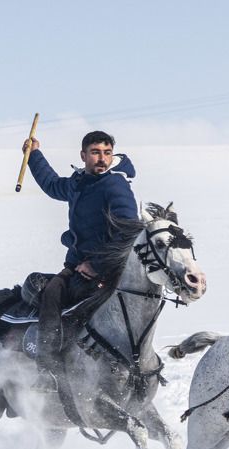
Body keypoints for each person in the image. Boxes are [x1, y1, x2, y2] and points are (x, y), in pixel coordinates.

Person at [21, 130, 138, 391]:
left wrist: (97, 265)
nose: (102, 159)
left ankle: (49, 367)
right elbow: (53, 186)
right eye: (96, 152)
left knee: (52, 294)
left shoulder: (115, 185)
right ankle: (49, 367)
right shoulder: (79, 183)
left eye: (107, 153)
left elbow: (128, 232)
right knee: (49, 291)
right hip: (77, 266)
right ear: (83, 155)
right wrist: (34, 154)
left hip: (108, 269)